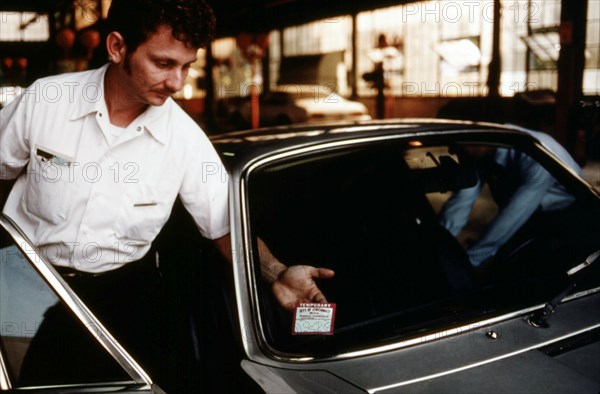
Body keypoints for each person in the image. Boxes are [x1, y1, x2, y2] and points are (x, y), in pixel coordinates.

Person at [0, 0, 333, 390]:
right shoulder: (44, 101)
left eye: (186, 66)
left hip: (124, 300)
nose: (178, 82)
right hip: (25, 287)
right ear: (117, 47)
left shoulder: (186, 140)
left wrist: (277, 272)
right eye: (163, 64)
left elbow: (225, 226)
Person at [439, 127, 584, 269]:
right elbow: (462, 201)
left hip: (566, 215)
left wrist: (470, 261)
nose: (451, 150)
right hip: (527, 212)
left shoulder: (533, 154)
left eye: (455, 144)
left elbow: (514, 213)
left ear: (477, 140)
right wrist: (436, 244)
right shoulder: (481, 151)